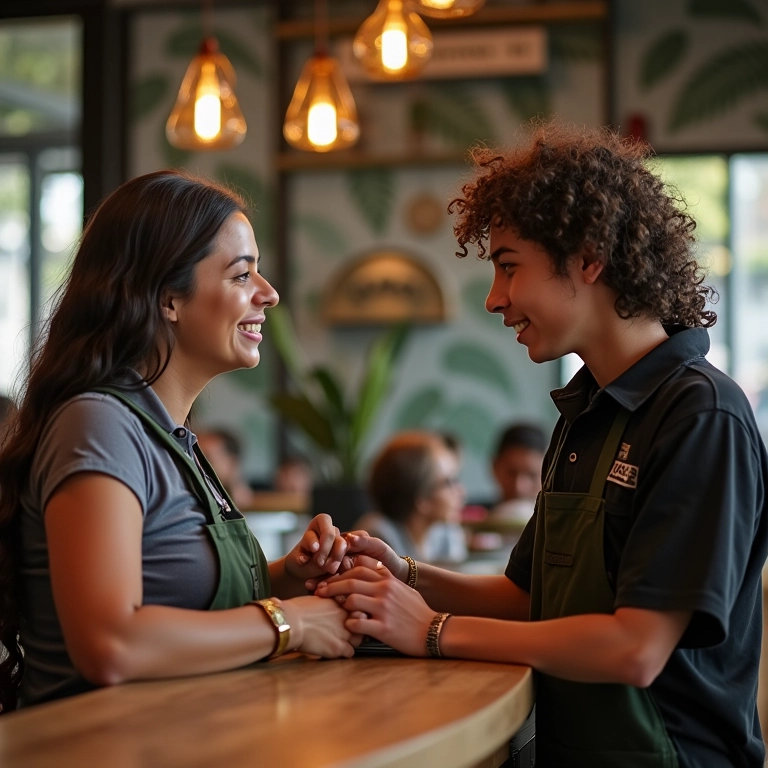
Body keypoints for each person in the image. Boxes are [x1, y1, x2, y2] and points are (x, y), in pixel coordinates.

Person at [315, 123, 768, 767]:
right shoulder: (586, 409)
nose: (496, 299)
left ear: (587, 258)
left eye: (508, 268)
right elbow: (527, 599)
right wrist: (405, 573)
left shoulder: (700, 414)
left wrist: (433, 632)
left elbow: (635, 649)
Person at [0, 170, 360, 713]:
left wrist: (288, 576)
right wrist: (291, 621)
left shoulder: (171, 436)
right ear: (169, 298)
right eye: (242, 275)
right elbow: (111, 644)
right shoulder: (99, 424)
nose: (269, 293)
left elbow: (181, 596)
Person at [354, 430, 467, 563]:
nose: (462, 492)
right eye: (449, 483)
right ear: (422, 499)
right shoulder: (377, 535)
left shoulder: (446, 533)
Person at [488, 422, 546, 523]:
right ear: (495, 467)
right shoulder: (469, 521)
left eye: (532, 475)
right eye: (511, 473)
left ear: (549, 473)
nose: (519, 487)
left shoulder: (561, 527)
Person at [195, 427, 254, 510]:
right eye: (194, 459)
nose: (197, 466)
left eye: (207, 459)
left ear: (231, 463)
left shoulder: (256, 508)